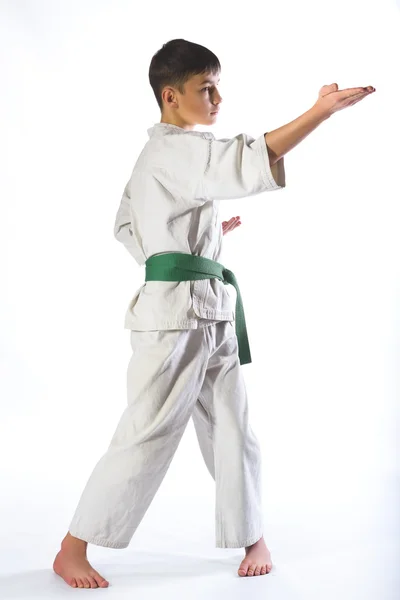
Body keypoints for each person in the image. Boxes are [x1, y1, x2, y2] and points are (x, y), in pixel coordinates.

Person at [53, 38, 375, 589]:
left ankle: (253, 536)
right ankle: (72, 547)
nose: (218, 98)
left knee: (234, 429)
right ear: (171, 96)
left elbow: (129, 225)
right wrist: (320, 112)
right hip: (172, 318)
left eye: (218, 85)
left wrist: (194, 243)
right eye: (207, 88)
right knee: (147, 434)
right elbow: (241, 160)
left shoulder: (166, 157)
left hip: (211, 310)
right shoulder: (172, 149)